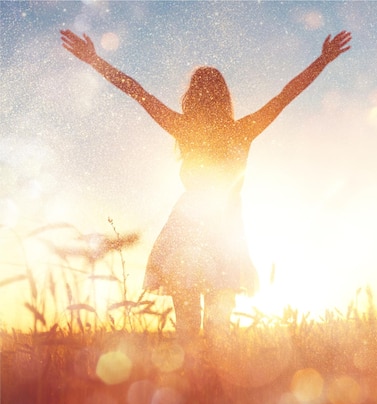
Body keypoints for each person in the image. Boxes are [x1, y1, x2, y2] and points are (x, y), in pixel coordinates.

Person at [60, 28, 352, 337]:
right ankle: (208, 382)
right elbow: (285, 95)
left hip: (199, 230)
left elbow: (137, 91)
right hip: (217, 231)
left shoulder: (187, 128)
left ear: (192, 98)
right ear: (224, 97)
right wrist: (323, 60)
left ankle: (192, 381)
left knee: (192, 329)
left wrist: (94, 60)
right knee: (217, 331)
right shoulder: (241, 130)